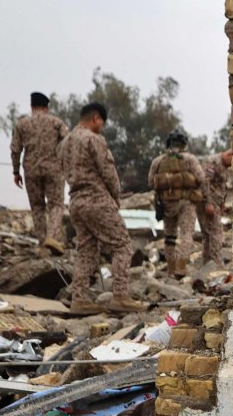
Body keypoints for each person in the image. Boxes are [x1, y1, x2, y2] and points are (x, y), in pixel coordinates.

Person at [60, 102, 145, 314]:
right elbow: (108, 172)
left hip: (76, 201)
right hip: (97, 199)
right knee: (122, 245)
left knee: (86, 249)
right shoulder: (93, 139)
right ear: (96, 118)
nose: (102, 128)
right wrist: (115, 197)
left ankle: (79, 298)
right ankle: (120, 295)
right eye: (102, 123)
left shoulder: (65, 143)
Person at [148, 132, 214, 277]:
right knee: (186, 234)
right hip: (186, 203)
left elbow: (151, 182)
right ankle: (181, 267)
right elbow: (201, 179)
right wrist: (207, 200)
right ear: (184, 144)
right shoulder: (190, 159)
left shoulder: (158, 161)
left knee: (169, 236)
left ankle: (171, 269)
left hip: (166, 205)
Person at [10, 92, 68, 251]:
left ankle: (43, 242)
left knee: (37, 206)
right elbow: (68, 144)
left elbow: (15, 149)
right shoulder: (56, 123)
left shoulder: (22, 124)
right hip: (54, 169)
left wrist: (16, 171)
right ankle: (52, 237)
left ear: (31, 107)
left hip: (31, 170)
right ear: (46, 107)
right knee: (56, 205)